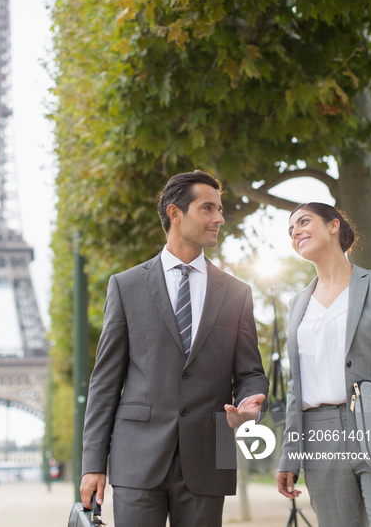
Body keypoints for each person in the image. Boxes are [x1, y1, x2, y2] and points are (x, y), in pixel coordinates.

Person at [80, 170, 268, 527]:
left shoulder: (237, 292)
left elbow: (251, 373)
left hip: (212, 452)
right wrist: (93, 464)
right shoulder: (126, 286)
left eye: (220, 209)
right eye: (208, 208)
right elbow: (104, 382)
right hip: (136, 455)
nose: (219, 219)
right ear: (174, 213)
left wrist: (251, 402)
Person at [276, 202, 371, 526]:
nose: (295, 232)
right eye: (290, 230)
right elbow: (296, 385)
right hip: (319, 437)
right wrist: (290, 454)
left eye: (303, 222)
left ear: (333, 225)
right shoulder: (297, 304)